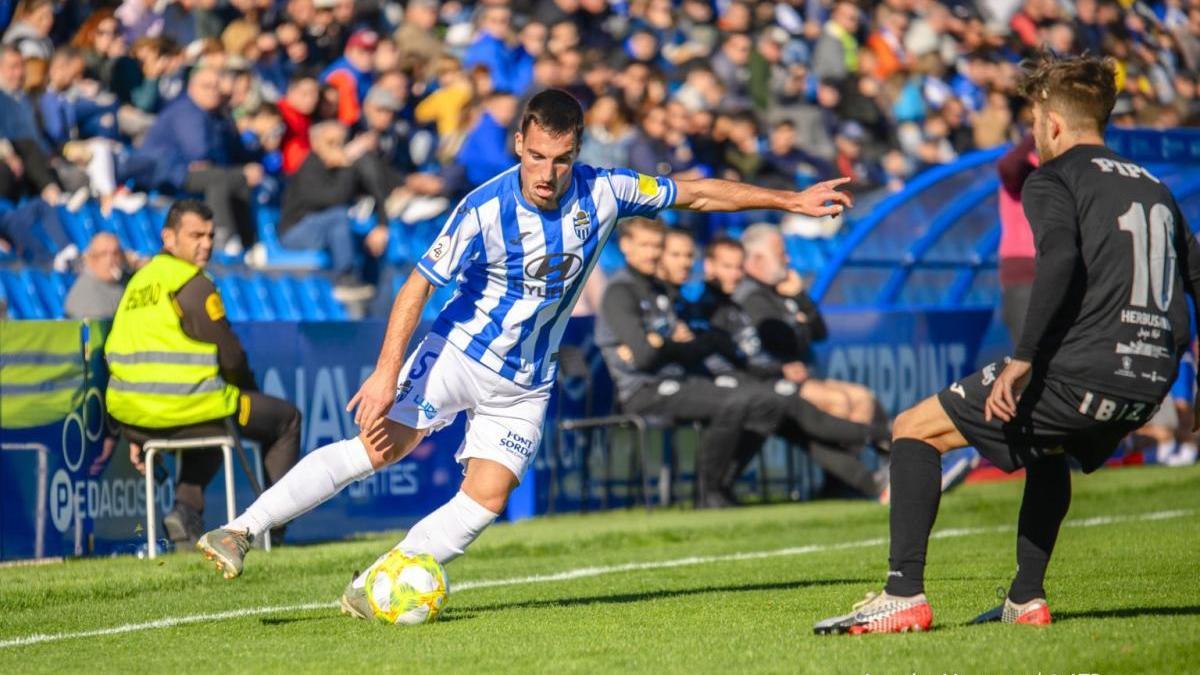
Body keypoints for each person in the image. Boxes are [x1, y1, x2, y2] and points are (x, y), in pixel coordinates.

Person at [193, 89, 852, 601]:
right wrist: (387, 369)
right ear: (518, 144)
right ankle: (241, 529)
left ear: (578, 151)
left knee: (487, 498)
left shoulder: (608, 190)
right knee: (377, 449)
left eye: (561, 159)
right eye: (536, 156)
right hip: (458, 353)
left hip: (526, 382)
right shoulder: (482, 208)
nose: (547, 172)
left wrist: (787, 199)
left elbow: (698, 193)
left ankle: (378, 585)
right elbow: (417, 286)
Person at [815, 54, 1200, 635]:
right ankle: (1026, 598)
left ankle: (903, 595)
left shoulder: (1053, 177)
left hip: (1084, 372)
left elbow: (1061, 261)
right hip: (1147, 384)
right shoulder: (1155, 188)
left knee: (913, 429)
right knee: (1042, 450)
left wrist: (1022, 359)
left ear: (1051, 124)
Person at [105, 200, 301, 545]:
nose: (206, 243)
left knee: (210, 410)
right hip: (182, 407)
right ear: (169, 237)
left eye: (210, 235)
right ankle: (273, 529)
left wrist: (134, 430)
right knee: (286, 419)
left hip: (134, 418)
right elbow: (232, 358)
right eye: (196, 235)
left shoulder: (137, 283)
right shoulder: (192, 283)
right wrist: (249, 391)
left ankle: (185, 512)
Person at [689, 234, 890, 498]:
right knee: (816, 415)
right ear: (709, 266)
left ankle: (870, 481)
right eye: (729, 267)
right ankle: (888, 440)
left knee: (822, 421)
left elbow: (815, 334)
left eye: (738, 267)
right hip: (747, 386)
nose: (737, 274)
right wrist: (780, 367)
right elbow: (762, 349)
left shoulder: (732, 303)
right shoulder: (717, 305)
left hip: (762, 384)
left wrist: (801, 304)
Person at [736, 223, 881, 427]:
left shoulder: (782, 288)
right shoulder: (752, 296)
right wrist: (800, 325)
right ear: (758, 259)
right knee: (839, 402)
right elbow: (783, 342)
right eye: (781, 254)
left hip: (802, 377)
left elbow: (820, 332)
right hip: (772, 380)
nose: (788, 259)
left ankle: (854, 455)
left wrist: (800, 297)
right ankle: (848, 456)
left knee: (863, 398)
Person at [126, 66, 263, 251]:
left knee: (239, 178)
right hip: (164, 173)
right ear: (191, 88)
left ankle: (248, 243)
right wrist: (236, 169)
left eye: (217, 87)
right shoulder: (186, 110)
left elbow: (231, 153)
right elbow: (198, 152)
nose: (213, 92)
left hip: (189, 171)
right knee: (220, 178)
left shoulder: (217, 115)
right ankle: (224, 238)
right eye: (207, 86)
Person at [276, 121, 387, 299]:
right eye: (331, 143)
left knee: (365, 233)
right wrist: (347, 165)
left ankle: (370, 285)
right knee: (339, 216)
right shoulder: (309, 167)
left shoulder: (341, 168)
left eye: (341, 143)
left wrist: (381, 226)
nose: (337, 148)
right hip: (295, 232)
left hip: (326, 228)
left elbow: (375, 192)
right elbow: (335, 198)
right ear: (316, 144)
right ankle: (344, 278)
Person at [64, 232, 127, 319]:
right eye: (103, 254)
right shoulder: (85, 295)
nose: (111, 259)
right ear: (91, 259)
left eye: (115, 253)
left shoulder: (127, 279)